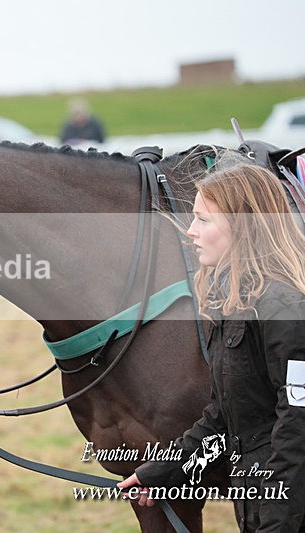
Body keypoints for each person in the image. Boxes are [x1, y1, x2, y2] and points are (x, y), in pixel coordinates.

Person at [118, 161, 305, 532]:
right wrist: (162, 473)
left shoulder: (284, 310)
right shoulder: (235, 307)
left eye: (204, 220)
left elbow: (299, 425)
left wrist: (278, 522)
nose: (190, 232)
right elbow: (224, 420)